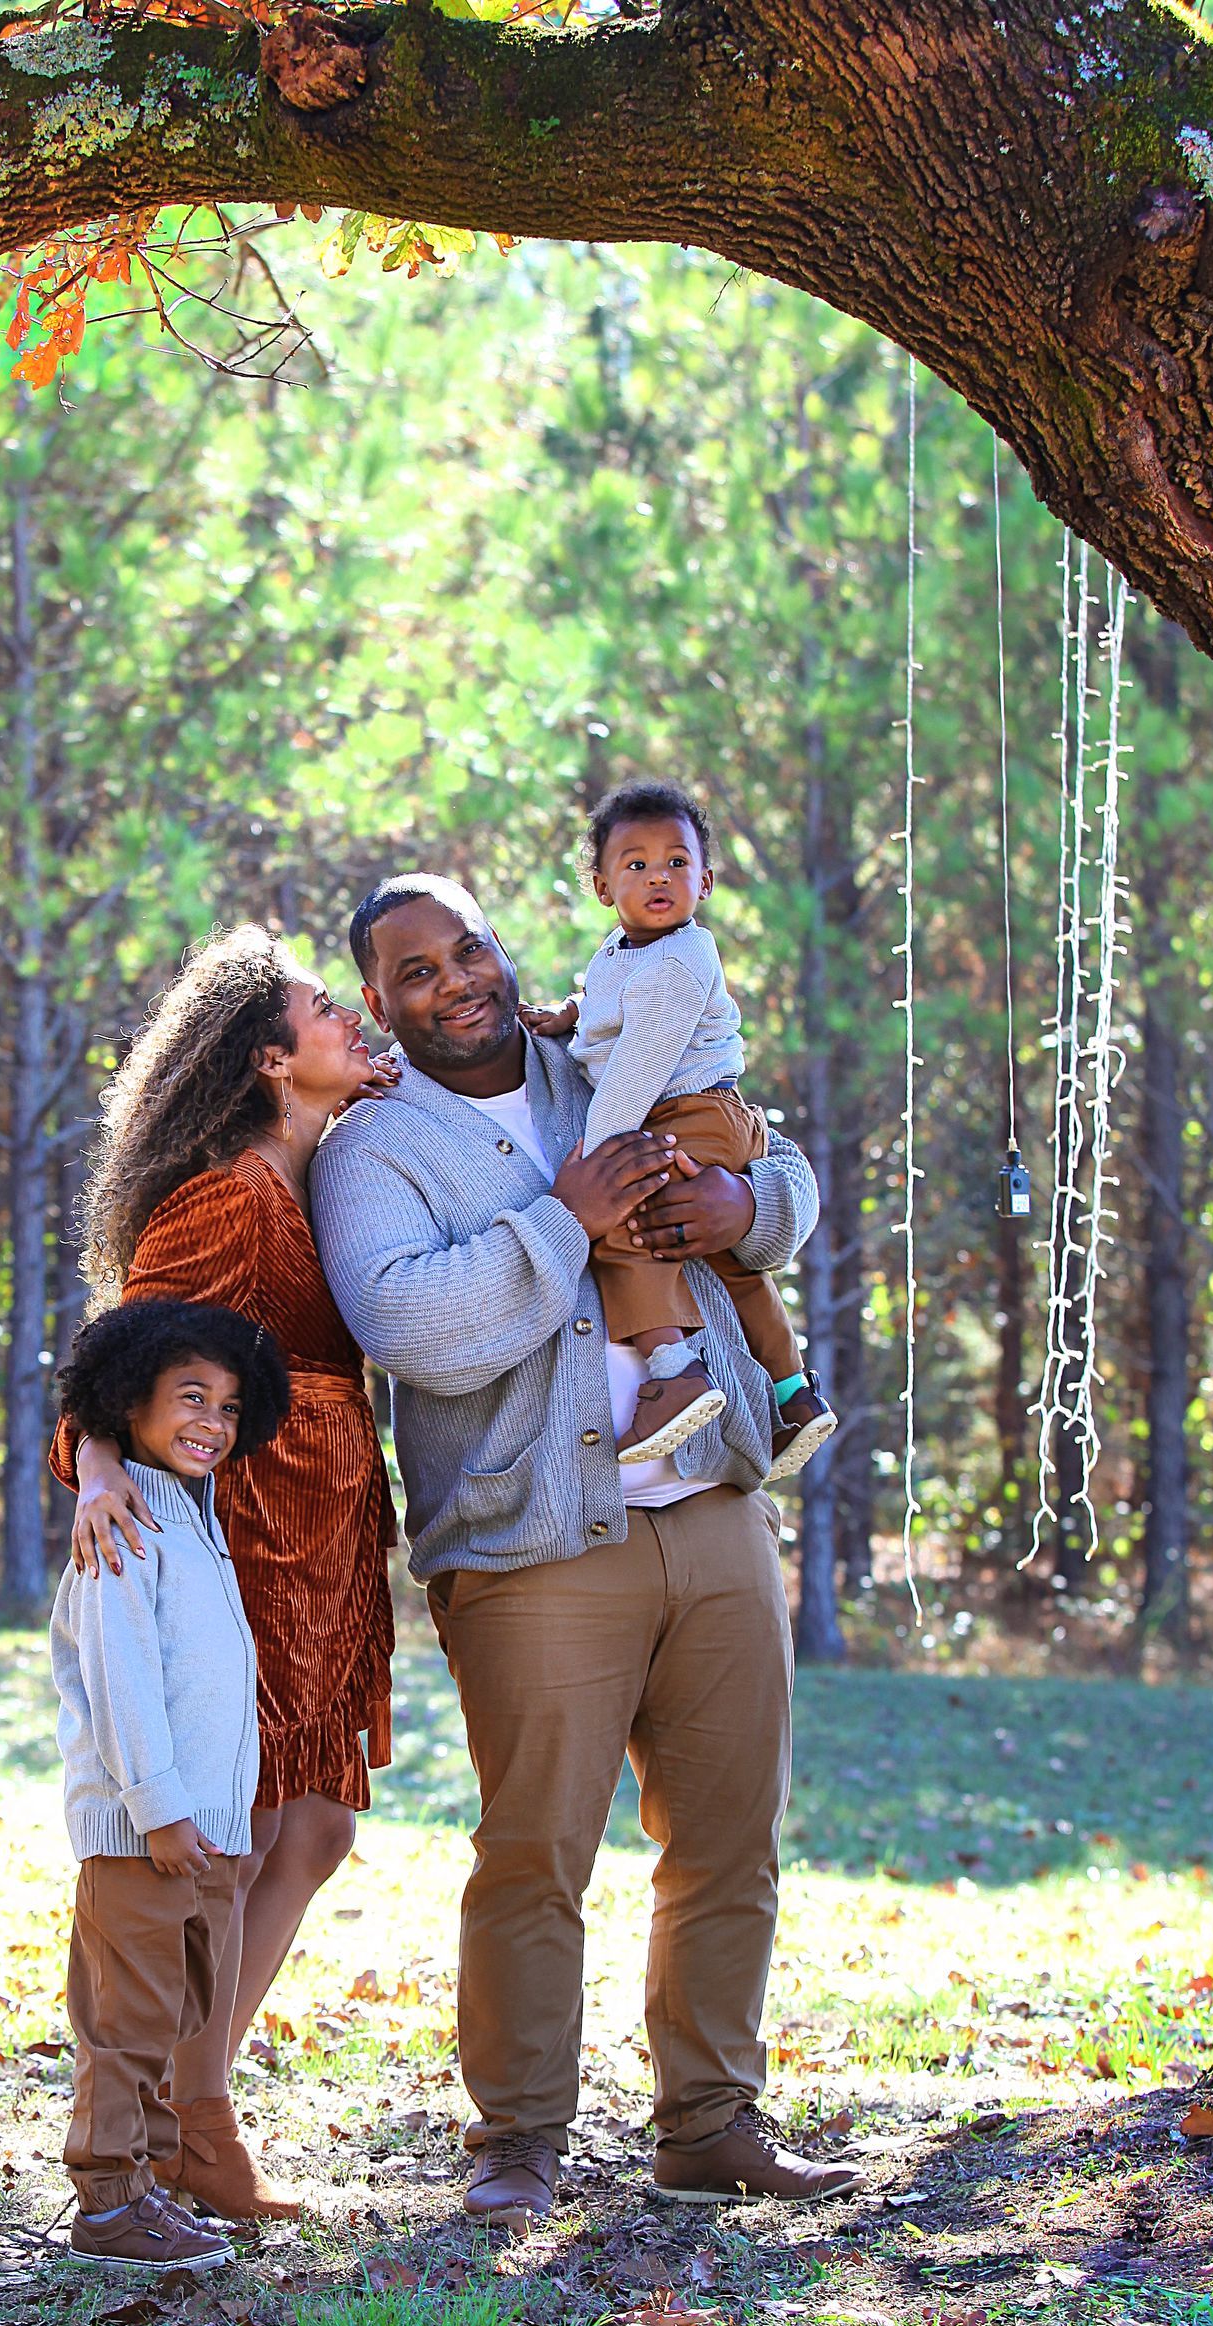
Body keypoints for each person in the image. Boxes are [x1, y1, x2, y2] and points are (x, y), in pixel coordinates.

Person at [312, 871, 862, 2224]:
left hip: (717, 1506)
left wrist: (747, 1212)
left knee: (731, 1838)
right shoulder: (374, 1150)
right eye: (415, 971)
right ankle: (518, 2141)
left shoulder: (600, 1053)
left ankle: (712, 2121)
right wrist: (568, 1217)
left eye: (468, 949)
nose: (454, 982)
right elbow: (409, 1325)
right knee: (537, 1848)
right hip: (532, 1540)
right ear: (381, 1004)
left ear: (503, 949)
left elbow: (768, 1157)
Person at [49, 924, 397, 2222]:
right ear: (268, 1056)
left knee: (308, 1829)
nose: (353, 1019)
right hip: (241, 1543)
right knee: (229, 1841)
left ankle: (194, 2112)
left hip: (323, 1556)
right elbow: (121, 1359)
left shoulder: (311, 1180)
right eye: (325, 1009)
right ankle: (171, 2127)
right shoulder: (225, 1196)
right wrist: (91, 1467)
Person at [49, 1298, 291, 2275]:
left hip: (196, 1832)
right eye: (191, 1396)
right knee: (126, 2020)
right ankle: (107, 2197)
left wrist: (215, 1820)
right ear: (127, 1402)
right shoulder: (124, 1525)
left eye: (231, 1406)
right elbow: (125, 1683)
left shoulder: (193, 1520)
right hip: (140, 1832)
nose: (213, 1422)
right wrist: (157, 1808)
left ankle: (147, 2186)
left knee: (170, 2015)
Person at [523, 779, 836, 1475]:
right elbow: (610, 999)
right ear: (603, 887)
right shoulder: (629, 949)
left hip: (686, 1113)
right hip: (708, 1115)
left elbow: (636, 1068)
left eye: (676, 863)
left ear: (707, 880)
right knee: (729, 1262)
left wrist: (597, 1164)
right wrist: (569, 1015)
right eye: (635, 865)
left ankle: (674, 1374)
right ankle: (793, 1394)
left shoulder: (683, 960)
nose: (657, 877)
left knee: (627, 1235)